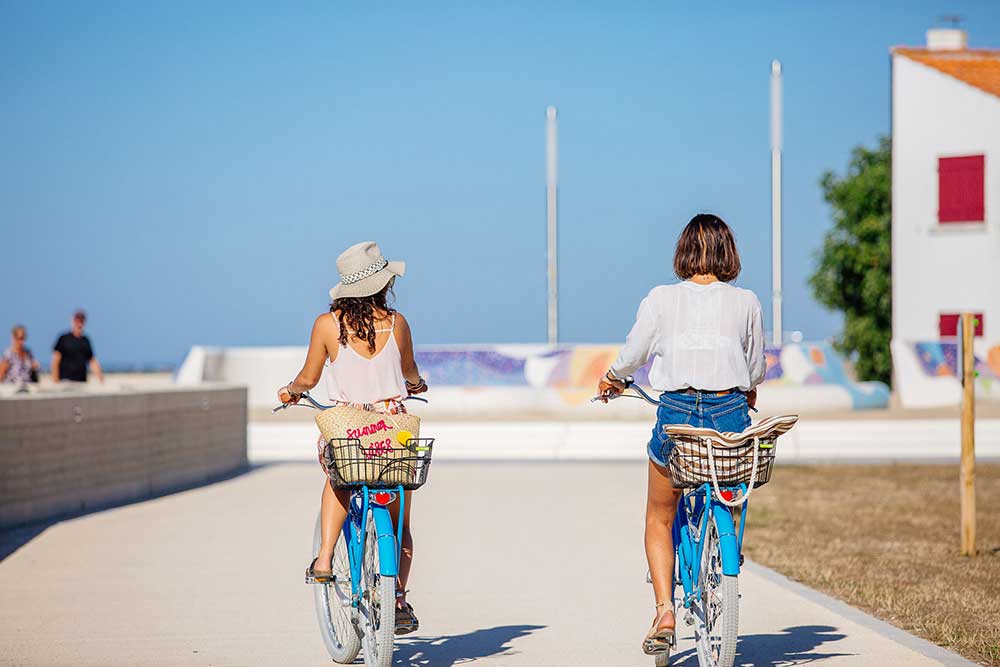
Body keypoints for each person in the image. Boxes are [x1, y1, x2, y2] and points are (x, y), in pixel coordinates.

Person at [597, 214, 766, 655]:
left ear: (683, 253)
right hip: (730, 411)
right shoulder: (746, 301)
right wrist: (746, 391)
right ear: (728, 253)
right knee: (728, 489)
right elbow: (756, 369)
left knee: (659, 514)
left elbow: (634, 353)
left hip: (676, 414)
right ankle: (723, 550)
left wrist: (614, 378)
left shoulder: (661, 299)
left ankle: (664, 611)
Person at [277, 241, 427, 635]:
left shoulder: (328, 325)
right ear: (382, 284)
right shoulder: (398, 324)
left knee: (337, 476)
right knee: (401, 524)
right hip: (392, 432)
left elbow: (309, 378)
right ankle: (397, 598)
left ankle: (325, 559)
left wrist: (291, 391)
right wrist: (416, 383)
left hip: (350, 430)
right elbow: (410, 372)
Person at [52, 310, 104, 383]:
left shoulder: (85, 340)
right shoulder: (64, 338)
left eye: (81, 321)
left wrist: (101, 378)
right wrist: (55, 380)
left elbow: (92, 361)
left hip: (81, 381)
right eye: (77, 320)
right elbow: (56, 360)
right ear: (72, 321)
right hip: (66, 380)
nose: (79, 323)